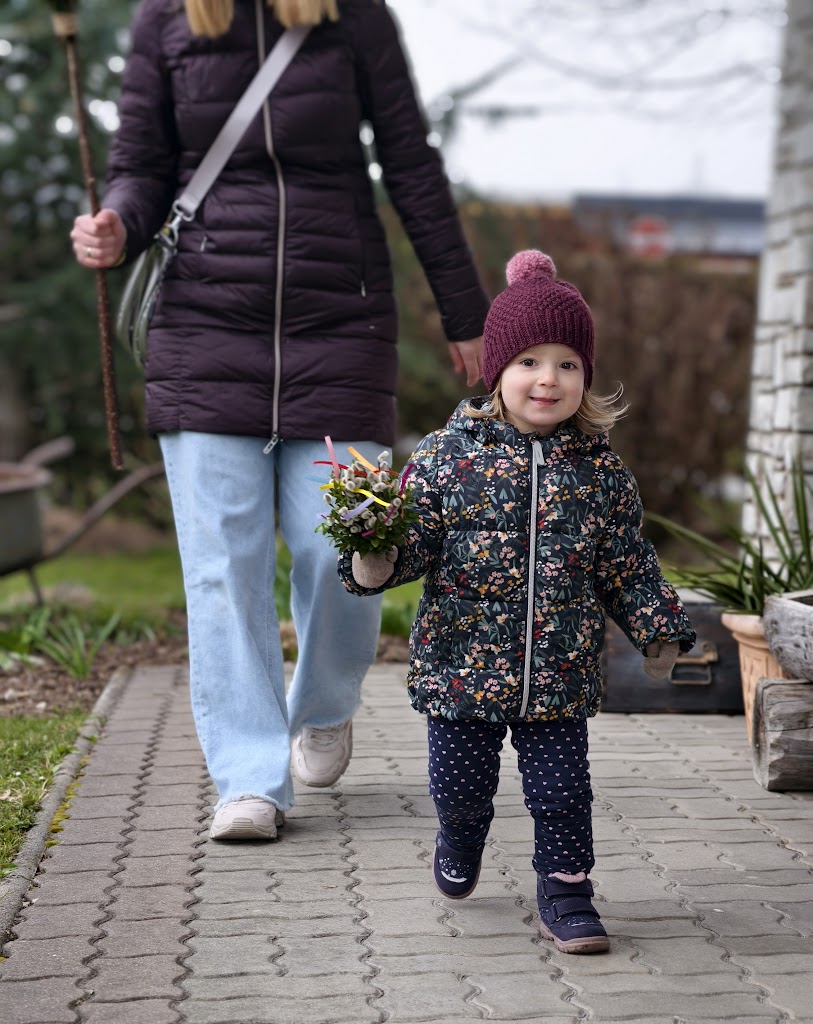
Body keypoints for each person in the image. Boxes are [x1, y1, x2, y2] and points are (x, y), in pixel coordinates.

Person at [69, 0, 489, 840]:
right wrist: (118, 219)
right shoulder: (168, 19)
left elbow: (409, 160)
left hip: (338, 326)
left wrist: (466, 312)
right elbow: (141, 161)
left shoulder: (352, 15)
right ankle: (250, 779)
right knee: (223, 569)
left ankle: (325, 701)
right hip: (203, 330)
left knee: (352, 544)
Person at [339, 250, 696, 954]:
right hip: (461, 672)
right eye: (529, 360)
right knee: (459, 787)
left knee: (563, 795)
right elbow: (409, 546)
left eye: (567, 364)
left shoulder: (598, 471)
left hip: (559, 675)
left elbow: (625, 561)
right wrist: (375, 555)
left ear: (585, 378)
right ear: (495, 371)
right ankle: (460, 834)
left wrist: (659, 630)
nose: (548, 378)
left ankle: (566, 894)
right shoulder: (446, 457)